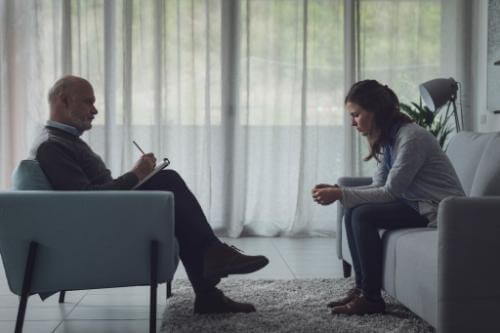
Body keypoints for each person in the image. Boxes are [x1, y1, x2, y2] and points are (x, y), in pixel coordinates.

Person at [30, 75, 269, 314]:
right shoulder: (53, 146)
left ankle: (210, 284)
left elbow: (91, 196)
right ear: (63, 101)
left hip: (104, 216)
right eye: (87, 102)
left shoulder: (64, 140)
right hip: (99, 226)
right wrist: (135, 175)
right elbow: (83, 200)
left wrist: (139, 176)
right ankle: (213, 265)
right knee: (167, 180)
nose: (95, 110)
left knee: (168, 191)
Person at [311, 80, 464, 315]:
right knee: (353, 210)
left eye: (356, 115)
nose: (353, 122)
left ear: (375, 111)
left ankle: (371, 298)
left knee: (362, 214)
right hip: (413, 203)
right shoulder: (389, 138)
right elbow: (378, 185)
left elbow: (389, 192)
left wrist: (340, 193)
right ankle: (362, 288)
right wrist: (337, 190)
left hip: (437, 209)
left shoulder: (411, 138)